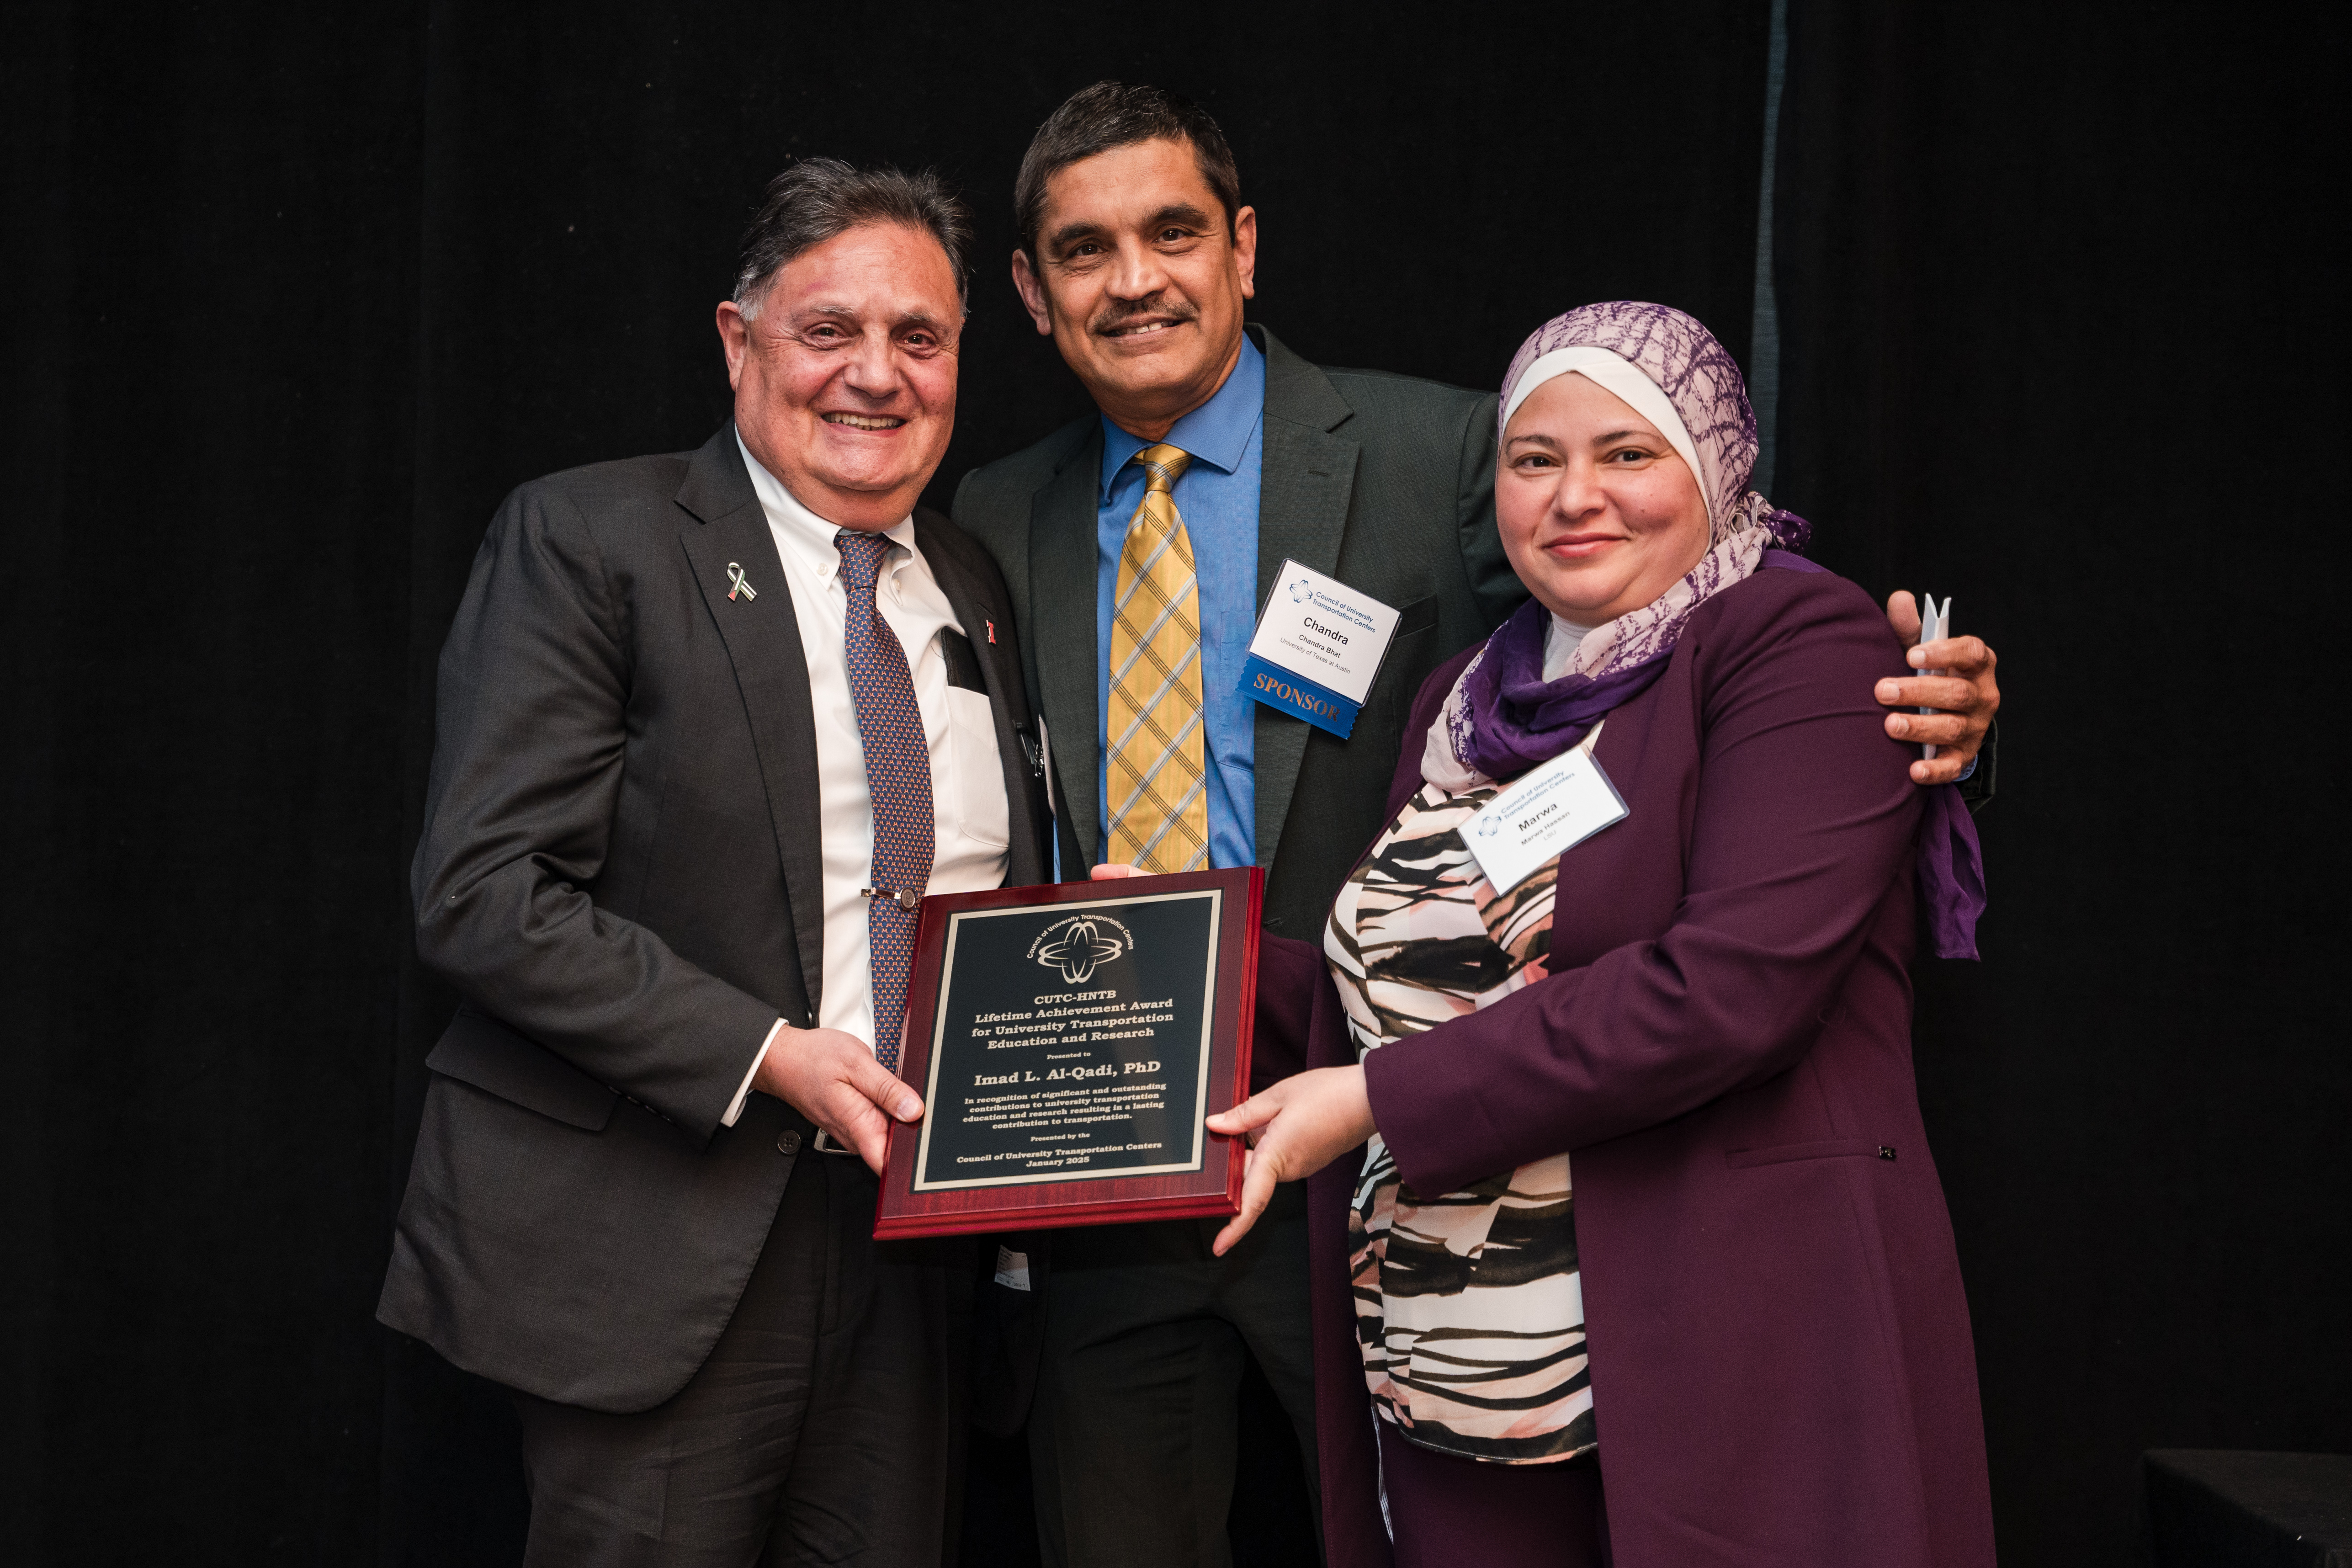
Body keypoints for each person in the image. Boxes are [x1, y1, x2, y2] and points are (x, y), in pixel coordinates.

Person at [952, 82, 2002, 1566]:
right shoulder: (999, 517)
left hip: (1583, 1218)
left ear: (1243, 246)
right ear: (1031, 292)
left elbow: (1718, 687)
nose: (1134, 279)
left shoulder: (1445, 450)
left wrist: (1939, 723)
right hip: (1218, 1174)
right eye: (1084, 248)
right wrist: (1170, 942)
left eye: (1173, 230)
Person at [1208, 300, 1996, 1568]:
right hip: (1460, 1372)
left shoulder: (1798, 645)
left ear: (1713, 462)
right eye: (1535, 459)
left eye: (1626, 453)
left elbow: (1723, 993)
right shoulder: (1459, 699)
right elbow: (1415, 993)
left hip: (1715, 1344)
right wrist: (1180, 947)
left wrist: (1370, 1102)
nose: (1575, 497)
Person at [377, 159, 1051, 1566]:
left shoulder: (975, 585)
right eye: (830, 332)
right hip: (663, 1234)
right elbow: (485, 893)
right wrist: (767, 1052)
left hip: (907, 1253)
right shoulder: (594, 539)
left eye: (918, 339)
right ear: (738, 341)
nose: (877, 375)